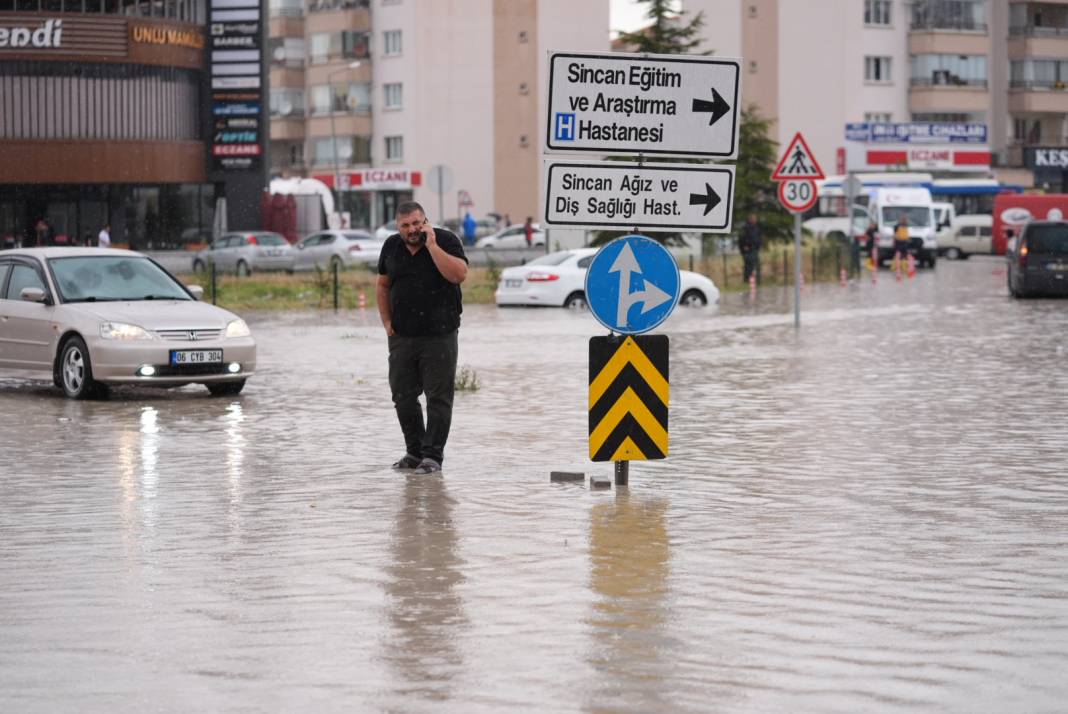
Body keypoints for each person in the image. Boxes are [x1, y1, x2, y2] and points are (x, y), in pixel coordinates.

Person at [376, 202, 469, 474]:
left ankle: (432, 457)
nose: (412, 229)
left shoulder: (446, 240)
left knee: (438, 398)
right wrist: (386, 322)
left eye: (417, 223)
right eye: (405, 225)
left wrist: (432, 246)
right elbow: (382, 285)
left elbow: (459, 274)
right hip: (402, 336)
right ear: (398, 227)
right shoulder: (391, 247)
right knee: (402, 396)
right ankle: (414, 452)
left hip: (440, 335)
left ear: (425, 221)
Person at [738, 213, 762, 284]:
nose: (754, 220)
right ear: (750, 219)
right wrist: (744, 247)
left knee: (757, 266)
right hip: (747, 251)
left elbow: (759, 239)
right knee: (748, 267)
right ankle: (746, 281)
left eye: (755, 219)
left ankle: (758, 281)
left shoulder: (757, 229)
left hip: (755, 249)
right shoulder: (745, 228)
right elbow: (741, 239)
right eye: (753, 218)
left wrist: (758, 245)